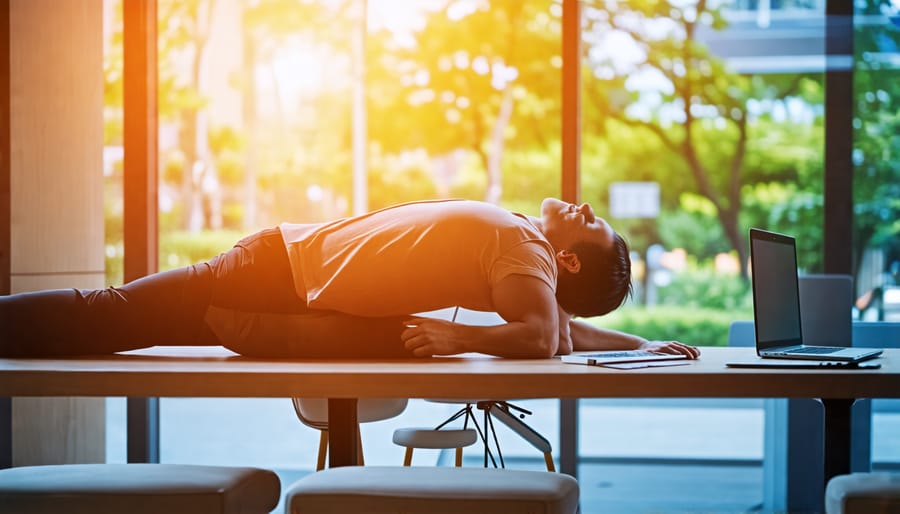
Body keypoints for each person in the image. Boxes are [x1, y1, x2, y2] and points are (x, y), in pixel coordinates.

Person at [0, 198, 699, 360]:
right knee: (114, 316)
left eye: (588, 222)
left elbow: (544, 335)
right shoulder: (525, 258)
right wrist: (640, 344)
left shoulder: (526, 251)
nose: (581, 207)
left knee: (109, 311)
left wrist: (456, 337)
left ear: (568, 259)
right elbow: (560, 330)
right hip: (277, 263)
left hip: (274, 275)